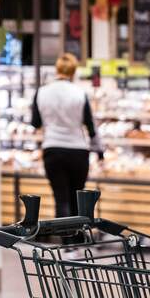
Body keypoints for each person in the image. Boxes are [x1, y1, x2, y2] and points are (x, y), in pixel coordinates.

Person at [31, 53, 103, 217]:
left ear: (57, 69)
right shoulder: (79, 93)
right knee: (77, 200)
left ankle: (64, 241)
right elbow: (91, 127)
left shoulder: (41, 92)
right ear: (74, 71)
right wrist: (100, 151)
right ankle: (77, 240)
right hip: (78, 151)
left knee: (61, 199)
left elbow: (35, 123)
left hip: (53, 150)